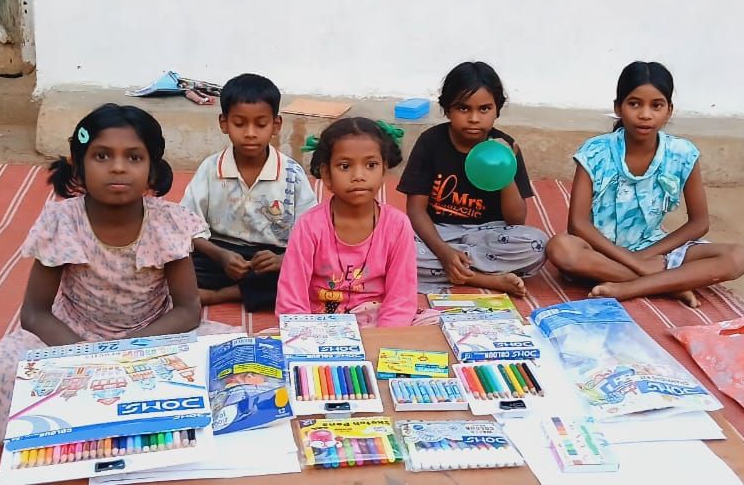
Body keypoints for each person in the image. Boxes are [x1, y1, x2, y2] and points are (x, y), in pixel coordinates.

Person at [0, 103, 208, 441]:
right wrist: (85, 357)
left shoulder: (168, 222)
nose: (118, 167)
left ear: (152, 171)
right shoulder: (61, 222)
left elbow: (188, 310)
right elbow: (35, 313)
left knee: (223, 365)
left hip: (151, 337)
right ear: (78, 166)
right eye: (102, 156)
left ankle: (100, 413)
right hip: (71, 336)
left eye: (134, 157)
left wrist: (129, 349)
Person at [546, 61, 744, 307]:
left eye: (656, 105)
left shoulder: (682, 153)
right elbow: (578, 224)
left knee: (739, 257)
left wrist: (646, 256)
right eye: (634, 104)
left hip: (655, 250)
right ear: (618, 107)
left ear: (669, 110)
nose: (645, 114)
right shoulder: (595, 152)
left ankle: (629, 287)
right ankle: (670, 285)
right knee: (561, 248)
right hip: (600, 252)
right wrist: (635, 262)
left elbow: (699, 223)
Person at [397, 61, 548, 296]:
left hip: (488, 236)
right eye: (463, 108)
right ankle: (485, 278)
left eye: (484, 109)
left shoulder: (505, 147)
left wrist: (504, 168)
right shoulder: (430, 142)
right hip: (438, 234)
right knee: (394, 245)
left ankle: (455, 269)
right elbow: (416, 210)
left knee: (537, 244)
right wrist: (443, 252)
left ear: (497, 109)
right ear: (447, 109)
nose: (474, 118)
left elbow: (517, 219)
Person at [275, 117, 435, 327]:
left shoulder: (398, 225)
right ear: (326, 174)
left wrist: (385, 338)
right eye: (345, 166)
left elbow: (400, 299)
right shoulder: (309, 225)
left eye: (371, 165)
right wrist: (305, 335)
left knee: (434, 323)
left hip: (379, 321)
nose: (359, 176)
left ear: (383, 169)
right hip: (321, 323)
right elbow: (291, 301)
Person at [179, 74, 317, 311]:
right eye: (239, 124)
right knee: (171, 262)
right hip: (218, 253)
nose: (250, 133)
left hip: (271, 258)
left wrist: (281, 260)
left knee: (311, 273)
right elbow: (187, 224)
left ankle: (221, 295)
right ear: (224, 123)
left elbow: (312, 232)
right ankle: (243, 291)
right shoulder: (211, 168)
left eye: (261, 124)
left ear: (276, 125)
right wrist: (221, 256)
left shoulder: (292, 173)